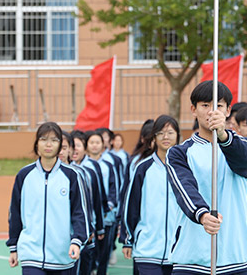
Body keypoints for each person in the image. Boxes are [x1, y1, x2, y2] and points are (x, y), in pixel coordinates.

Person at [166, 80, 247, 275]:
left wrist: (223, 136)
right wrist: (202, 214)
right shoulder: (179, 153)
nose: (211, 112)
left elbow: (245, 161)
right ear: (193, 109)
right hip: (191, 259)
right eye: (205, 105)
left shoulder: (244, 146)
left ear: (228, 111)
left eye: (218, 106)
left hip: (236, 258)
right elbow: (185, 189)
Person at [7, 122, 88, 274]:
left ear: (60, 145)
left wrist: (77, 241)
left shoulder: (72, 176)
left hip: (62, 256)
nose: (48, 144)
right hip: (31, 255)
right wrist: (13, 246)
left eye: (54, 140)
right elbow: (15, 213)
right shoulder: (24, 175)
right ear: (36, 144)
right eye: (43, 139)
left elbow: (80, 212)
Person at [122, 115, 181, 274]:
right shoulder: (142, 168)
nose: (166, 137)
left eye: (170, 133)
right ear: (154, 138)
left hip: (179, 251)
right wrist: (127, 240)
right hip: (147, 249)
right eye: (160, 133)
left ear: (177, 136)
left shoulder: (186, 167)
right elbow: (131, 206)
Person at [60, 132, 101, 275]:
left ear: (70, 150)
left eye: (64, 147)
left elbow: (88, 204)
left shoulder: (79, 174)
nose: (60, 151)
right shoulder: (36, 175)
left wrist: (89, 228)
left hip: (76, 236)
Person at [86, 130, 119, 275]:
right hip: (91, 216)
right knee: (90, 252)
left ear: (103, 145)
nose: (94, 145)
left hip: (107, 216)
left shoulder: (108, 165)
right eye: (91, 142)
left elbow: (114, 188)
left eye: (97, 142)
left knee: (104, 252)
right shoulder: (82, 165)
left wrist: (109, 206)